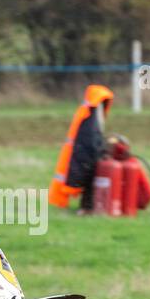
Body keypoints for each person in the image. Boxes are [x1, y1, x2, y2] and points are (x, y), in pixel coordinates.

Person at [49, 84, 114, 214]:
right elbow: (92, 140)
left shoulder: (87, 113)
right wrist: (101, 152)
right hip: (85, 157)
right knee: (90, 179)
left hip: (82, 156)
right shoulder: (92, 115)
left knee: (88, 180)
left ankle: (87, 207)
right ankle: (87, 208)